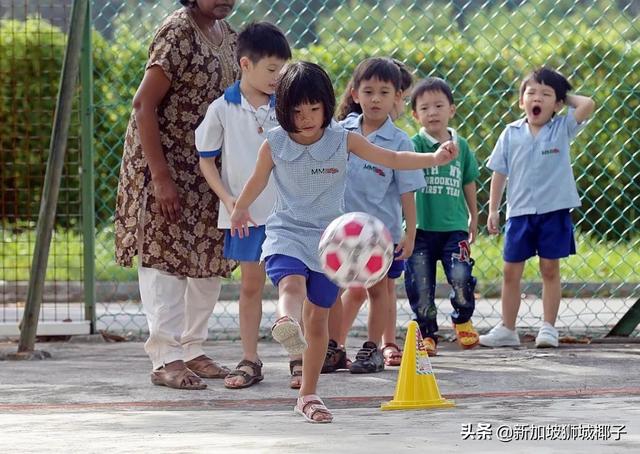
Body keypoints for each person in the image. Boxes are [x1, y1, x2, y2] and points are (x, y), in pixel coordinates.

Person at [229, 61, 458, 423]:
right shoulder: (274, 143)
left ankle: (308, 395)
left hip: (329, 243)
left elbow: (393, 158)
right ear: (283, 110)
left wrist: (433, 157)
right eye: (296, 111)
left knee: (319, 318)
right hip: (287, 231)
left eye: (313, 110)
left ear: (326, 105)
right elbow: (257, 181)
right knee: (290, 283)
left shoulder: (343, 139)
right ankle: (285, 321)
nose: (305, 118)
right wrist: (240, 209)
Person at [114, 0, 239, 390]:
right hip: (164, 164)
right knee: (164, 258)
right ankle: (166, 358)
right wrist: (160, 176)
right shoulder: (177, 32)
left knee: (209, 257)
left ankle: (192, 347)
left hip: (207, 168)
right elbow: (143, 104)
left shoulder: (230, 36)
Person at [195, 22, 291, 389]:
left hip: (287, 213)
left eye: (283, 71)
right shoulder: (222, 108)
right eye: (271, 70)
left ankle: (300, 358)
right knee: (251, 285)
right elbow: (206, 158)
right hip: (245, 214)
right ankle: (250, 359)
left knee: (292, 283)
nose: (277, 78)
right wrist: (228, 199)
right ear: (245, 64)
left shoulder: (286, 105)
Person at [479, 67, 596, 348]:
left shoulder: (561, 128)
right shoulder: (511, 133)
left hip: (553, 211)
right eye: (531, 93)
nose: (537, 98)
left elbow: (588, 104)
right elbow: (499, 173)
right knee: (511, 271)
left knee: (549, 268)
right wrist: (493, 209)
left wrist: (562, 95)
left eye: (546, 95)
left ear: (556, 104)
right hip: (519, 212)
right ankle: (508, 328)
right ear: (522, 101)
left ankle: (548, 328)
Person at [323, 57, 424, 375]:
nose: (375, 99)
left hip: (382, 235)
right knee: (333, 290)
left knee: (379, 290)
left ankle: (372, 349)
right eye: (368, 91)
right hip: (342, 234)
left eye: (384, 92)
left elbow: (408, 192)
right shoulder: (340, 133)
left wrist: (410, 231)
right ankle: (333, 347)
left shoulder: (400, 142)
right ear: (355, 94)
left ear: (397, 97)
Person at [403, 77, 481, 356]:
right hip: (421, 230)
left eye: (439, 105)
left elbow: (468, 181)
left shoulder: (462, 146)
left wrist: (474, 215)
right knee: (420, 284)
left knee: (461, 275)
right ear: (415, 115)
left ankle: (462, 318)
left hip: (454, 228)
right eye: (424, 108)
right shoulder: (413, 145)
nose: (432, 112)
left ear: (452, 109)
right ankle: (426, 331)